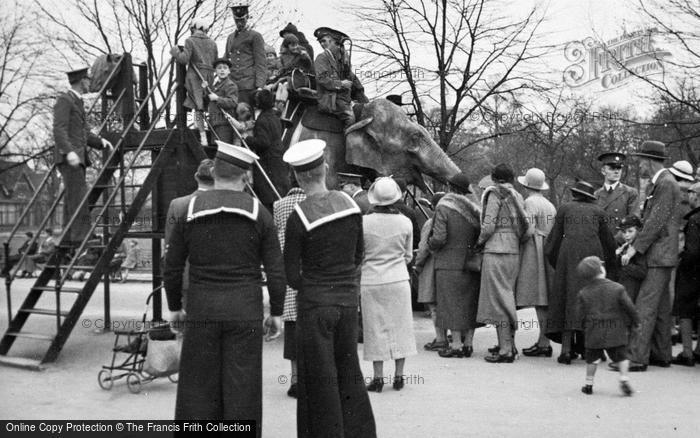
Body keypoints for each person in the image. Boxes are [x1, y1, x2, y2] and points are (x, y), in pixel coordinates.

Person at [164, 142, 285, 430]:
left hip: (202, 309)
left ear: (214, 173)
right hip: (245, 312)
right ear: (246, 178)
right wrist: (277, 312)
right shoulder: (260, 212)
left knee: (197, 390)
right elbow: (276, 269)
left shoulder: (188, 209)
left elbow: (172, 266)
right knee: (243, 389)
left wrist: (174, 308)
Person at [282, 139, 376, 438]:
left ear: (297, 176)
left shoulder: (299, 216)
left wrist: (311, 286)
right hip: (348, 303)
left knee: (319, 380)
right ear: (324, 168)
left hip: (315, 304)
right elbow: (360, 254)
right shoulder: (351, 205)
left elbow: (291, 273)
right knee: (349, 373)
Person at [617, 141, 681, 372]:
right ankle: (661, 354)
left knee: (644, 307)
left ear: (651, 161)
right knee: (662, 309)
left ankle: (636, 357)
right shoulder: (664, 183)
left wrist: (635, 248)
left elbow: (655, 222)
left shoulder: (665, 183)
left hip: (658, 256)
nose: (639, 164)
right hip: (663, 256)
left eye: (642, 160)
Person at [545, 180, 616, 365]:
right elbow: (609, 243)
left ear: (575, 194)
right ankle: (588, 350)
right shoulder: (599, 212)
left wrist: (558, 263)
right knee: (590, 301)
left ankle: (566, 350)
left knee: (568, 300)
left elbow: (552, 242)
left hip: (567, 257)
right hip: (593, 257)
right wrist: (605, 266)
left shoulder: (564, 209)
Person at [360, 177, 416, 392]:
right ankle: (399, 376)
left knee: (375, 329)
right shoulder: (405, 222)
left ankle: (377, 378)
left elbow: (360, 254)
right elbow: (408, 255)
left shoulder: (364, 222)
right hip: (398, 279)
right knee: (401, 327)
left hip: (371, 280)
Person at [477, 164, 530, 363]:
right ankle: (510, 345)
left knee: (498, 299)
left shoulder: (494, 194)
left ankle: (506, 349)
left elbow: (488, 225)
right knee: (507, 295)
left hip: (496, 250)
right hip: (513, 250)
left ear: (494, 178)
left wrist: (479, 241)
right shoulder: (517, 196)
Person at [53, 68, 113, 247]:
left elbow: (84, 132)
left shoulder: (77, 102)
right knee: (78, 196)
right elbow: (59, 129)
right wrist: (69, 152)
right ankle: (81, 236)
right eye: (88, 79)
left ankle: (69, 235)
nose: (90, 83)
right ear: (82, 81)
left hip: (77, 157)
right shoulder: (65, 100)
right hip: (70, 157)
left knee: (74, 196)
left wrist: (101, 141)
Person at [429, 173, 482, 359]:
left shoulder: (444, 206)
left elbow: (439, 237)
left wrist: (431, 245)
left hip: (447, 262)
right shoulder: (474, 209)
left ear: (450, 188)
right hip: (470, 262)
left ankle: (457, 344)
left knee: (450, 303)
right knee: (468, 303)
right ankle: (468, 344)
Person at [575, 256, 639, 396]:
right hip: (616, 331)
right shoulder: (617, 288)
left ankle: (588, 384)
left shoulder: (584, 293)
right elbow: (630, 307)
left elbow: (579, 315)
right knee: (622, 356)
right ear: (602, 270)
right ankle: (624, 378)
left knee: (592, 359)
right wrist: (636, 321)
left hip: (594, 331)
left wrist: (583, 327)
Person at [515, 168, 557, 358]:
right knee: (544, 298)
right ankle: (543, 341)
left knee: (538, 297)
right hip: (547, 247)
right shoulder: (549, 204)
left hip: (535, 249)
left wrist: (519, 240)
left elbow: (529, 229)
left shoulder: (530, 202)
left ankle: (543, 343)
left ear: (526, 185)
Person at [164, 159, 215, 310]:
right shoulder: (226, 204)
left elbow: (170, 247)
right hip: (220, 281)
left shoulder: (177, 205)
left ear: (196, 177)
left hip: (187, 278)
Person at [272, 178, 306, 398]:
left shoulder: (279, 204)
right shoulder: (312, 201)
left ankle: (294, 379)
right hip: (308, 268)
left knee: (292, 328)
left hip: (286, 266)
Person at [171, 18, 217, 147]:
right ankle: (210, 132)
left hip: (196, 77)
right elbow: (215, 60)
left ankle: (203, 137)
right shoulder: (213, 43)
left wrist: (175, 52)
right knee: (207, 104)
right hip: (209, 76)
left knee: (198, 107)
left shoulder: (190, 40)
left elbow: (184, 59)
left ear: (193, 28)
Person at [670, 181, 700, 366]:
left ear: (696, 196)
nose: (688, 196)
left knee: (685, 310)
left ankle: (687, 352)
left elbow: (693, 250)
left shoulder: (695, 219)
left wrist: (683, 260)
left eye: (690, 193)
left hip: (693, 271)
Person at [313, 27, 366, 127]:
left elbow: (352, 78)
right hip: (331, 99)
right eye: (321, 42)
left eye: (324, 41)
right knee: (350, 119)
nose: (322, 44)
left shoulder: (342, 61)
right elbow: (322, 79)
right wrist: (341, 84)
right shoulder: (322, 58)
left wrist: (362, 96)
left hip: (344, 99)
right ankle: (349, 142)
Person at [245, 89, 287, 210]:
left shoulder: (262, 120)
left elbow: (264, 143)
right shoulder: (275, 117)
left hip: (267, 162)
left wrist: (247, 138)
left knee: (267, 196)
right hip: (278, 158)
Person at [415, 192, 447, 351]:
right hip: (447, 265)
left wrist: (418, 264)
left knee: (434, 304)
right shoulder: (451, 220)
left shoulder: (430, 222)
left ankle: (440, 338)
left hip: (431, 265)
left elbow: (424, 247)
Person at [226, 4, 267, 106]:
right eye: (237, 20)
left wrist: (259, 86)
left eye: (242, 20)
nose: (239, 23)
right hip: (232, 84)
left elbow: (260, 62)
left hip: (247, 85)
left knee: (244, 117)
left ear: (247, 17)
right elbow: (226, 59)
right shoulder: (230, 37)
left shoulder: (255, 36)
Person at [593, 152, 640, 242]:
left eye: (619, 168)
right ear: (603, 171)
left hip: (621, 243)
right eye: (612, 168)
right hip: (600, 242)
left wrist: (615, 241)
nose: (616, 171)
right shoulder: (595, 195)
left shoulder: (630, 193)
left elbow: (633, 221)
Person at [204, 58, 239, 145]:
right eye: (219, 68)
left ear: (229, 71)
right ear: (215, 71)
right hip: (214, 123)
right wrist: (205, 88)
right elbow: (209, 100)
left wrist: (217, 99)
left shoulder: (230, 85)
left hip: (224, 124)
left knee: (224, 149)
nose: (222, 70)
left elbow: (233, 102)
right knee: (216, 149)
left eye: (225, 68)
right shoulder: (215, 86)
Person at [615, 215, 647, 303]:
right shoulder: (625, 246)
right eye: (624, 232)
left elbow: (642, 272)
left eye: (630, 231)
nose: (627, 235)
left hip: (634, 290)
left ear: (639, 231)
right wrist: (617, 256)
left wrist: (625, 264)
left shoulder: (638, 248)